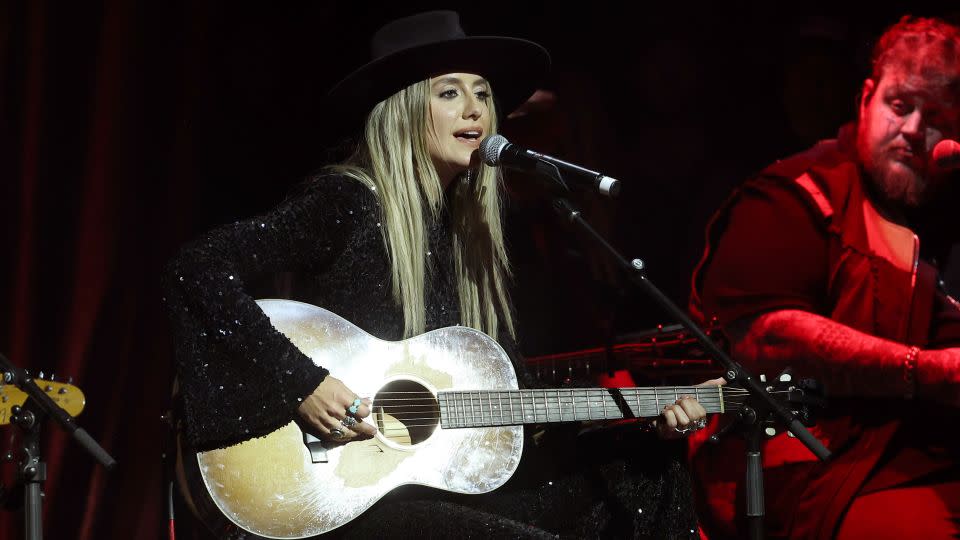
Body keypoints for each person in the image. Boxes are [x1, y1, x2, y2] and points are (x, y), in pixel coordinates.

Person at [163, 11, 710, 539]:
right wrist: (303, 382)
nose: (474, 110)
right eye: (449, 92)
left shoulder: (468, 241)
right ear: (403, 109)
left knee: (646, 473)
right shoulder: (349, 201)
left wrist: (644, 417)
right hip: (337, 493)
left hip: (425, 492)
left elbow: (511, 412)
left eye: (483, 94)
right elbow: (198, 267)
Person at [689, 15, 960, 539]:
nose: (912, 129)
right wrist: (929, 372)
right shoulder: (793, 196)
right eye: (900, 106)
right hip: (835, 476)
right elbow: (763, 338)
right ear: (865, 99)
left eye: (938, 118)